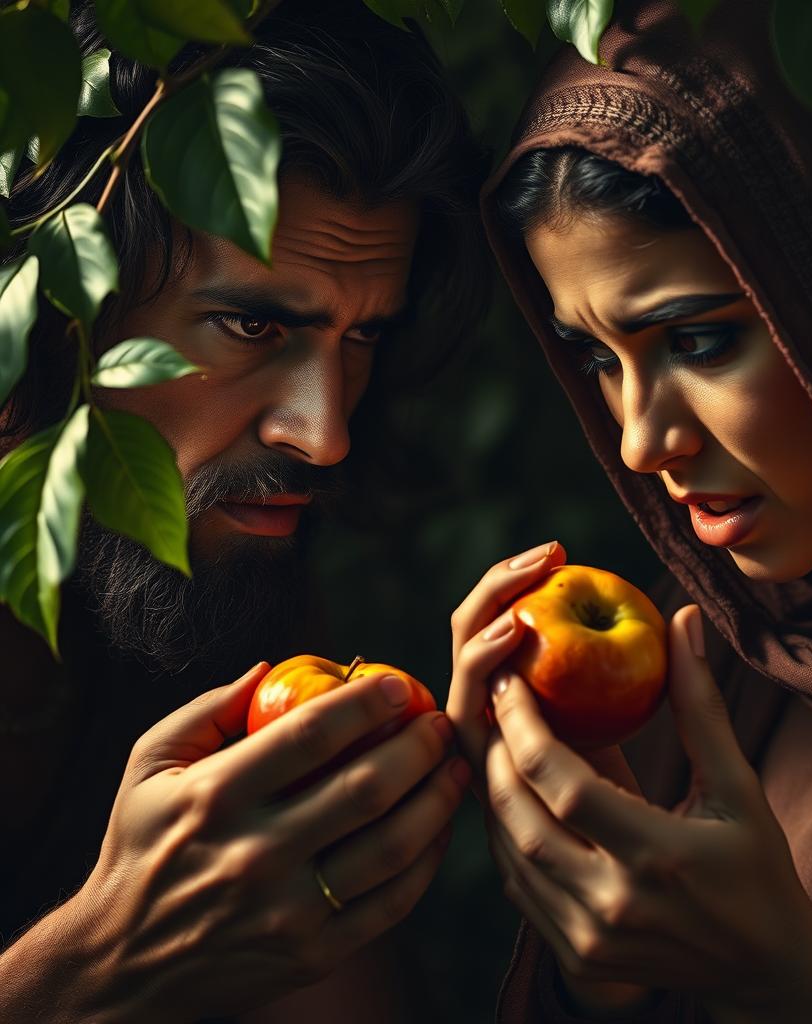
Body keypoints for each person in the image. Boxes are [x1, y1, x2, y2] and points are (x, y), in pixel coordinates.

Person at [447, 0, 812, 1020]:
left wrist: (773, 982)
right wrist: (609, 982)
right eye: (593, 356)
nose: (637, 440)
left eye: (698, 340)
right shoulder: (706, 658)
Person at [0, 2, 484, 1020]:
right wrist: (88, 966)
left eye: (362, 339)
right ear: (62, 313)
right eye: (253, 322)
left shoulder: (216, 583)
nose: (326, 434)